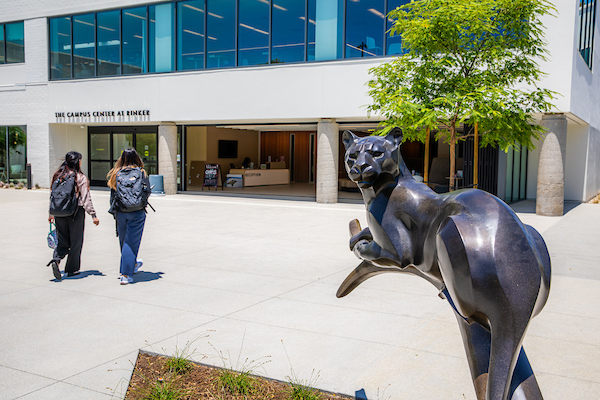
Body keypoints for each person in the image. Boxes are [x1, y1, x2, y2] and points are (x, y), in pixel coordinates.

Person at [47, 151, 100, 280]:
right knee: (76, 241)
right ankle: (72, 269)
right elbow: (85, 197)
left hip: (59, 212)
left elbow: (53, 196)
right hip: (76, 212)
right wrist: (93, 215)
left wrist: (51, 213)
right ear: (78, 162)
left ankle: (56, 259)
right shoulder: (80, 177)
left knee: (62, 239)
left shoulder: (58, 176)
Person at [107, 149, 148, 285]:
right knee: (131, 243)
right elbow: (146, 190)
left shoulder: (116, 173)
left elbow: (113, 194)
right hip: (137, 211)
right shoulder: (141, 172)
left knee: (124, 241)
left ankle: (132, 265)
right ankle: (126, 274)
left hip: (121, 212)